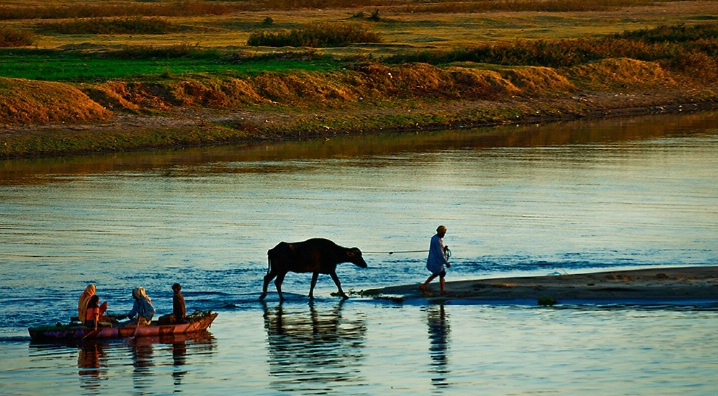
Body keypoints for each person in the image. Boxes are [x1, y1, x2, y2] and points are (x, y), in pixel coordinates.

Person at [420, 225, 451, 295]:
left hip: (434, 259)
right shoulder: (437, 240)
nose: (444, 234)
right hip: (436, 260)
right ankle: (424, 285)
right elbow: (440, 253)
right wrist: (446, 262)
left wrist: (443, 248)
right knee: (439, 273)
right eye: (443, 233)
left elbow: (439, 249)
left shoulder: (434, 238)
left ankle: (440, 289)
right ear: (440, 232)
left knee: (440, 274)